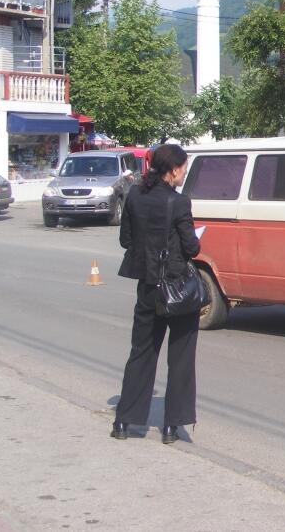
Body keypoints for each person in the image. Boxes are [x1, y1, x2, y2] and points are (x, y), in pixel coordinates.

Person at [111, 144, 201, 444]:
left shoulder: (135, 196)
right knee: (181, 358)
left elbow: (126, 240)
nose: (184, 173)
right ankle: (172, 426)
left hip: (148, 288)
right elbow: (192, 247)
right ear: (173, 170)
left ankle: (123, 422)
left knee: (141, 353)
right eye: (184, 168)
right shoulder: (179, 202)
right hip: (177, 290)